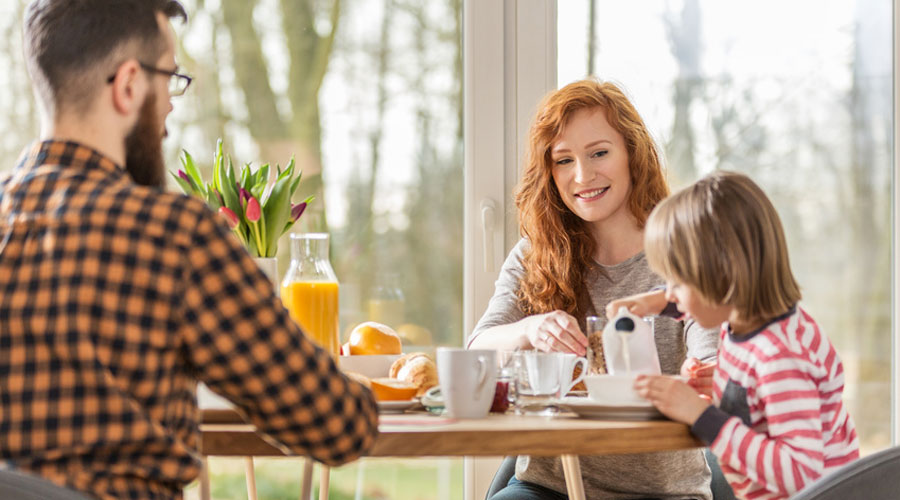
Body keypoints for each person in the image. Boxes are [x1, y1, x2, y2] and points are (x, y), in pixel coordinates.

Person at [0, 1, 378, 499]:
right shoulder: (173, 236)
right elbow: (337, 426)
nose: (172, 105)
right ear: (129, 84)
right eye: (170, 78)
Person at [468, 79, 718, 500]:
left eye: (599, 153)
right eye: (564, 160)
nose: (582, 176)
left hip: (662, 493)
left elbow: (711, 359)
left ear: (632, 156)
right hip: (546, 487)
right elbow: (478, 349)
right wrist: (530, 329)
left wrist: (707, 375)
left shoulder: (686, 253)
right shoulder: (535, 254)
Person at [627, 171, 859, 499]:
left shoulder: (780, 355)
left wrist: (700, 415)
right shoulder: (745, 319)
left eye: (677, 282)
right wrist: (651, 302)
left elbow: (802, 474)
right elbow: (697, 303)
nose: (672, 293)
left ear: (720, 275)